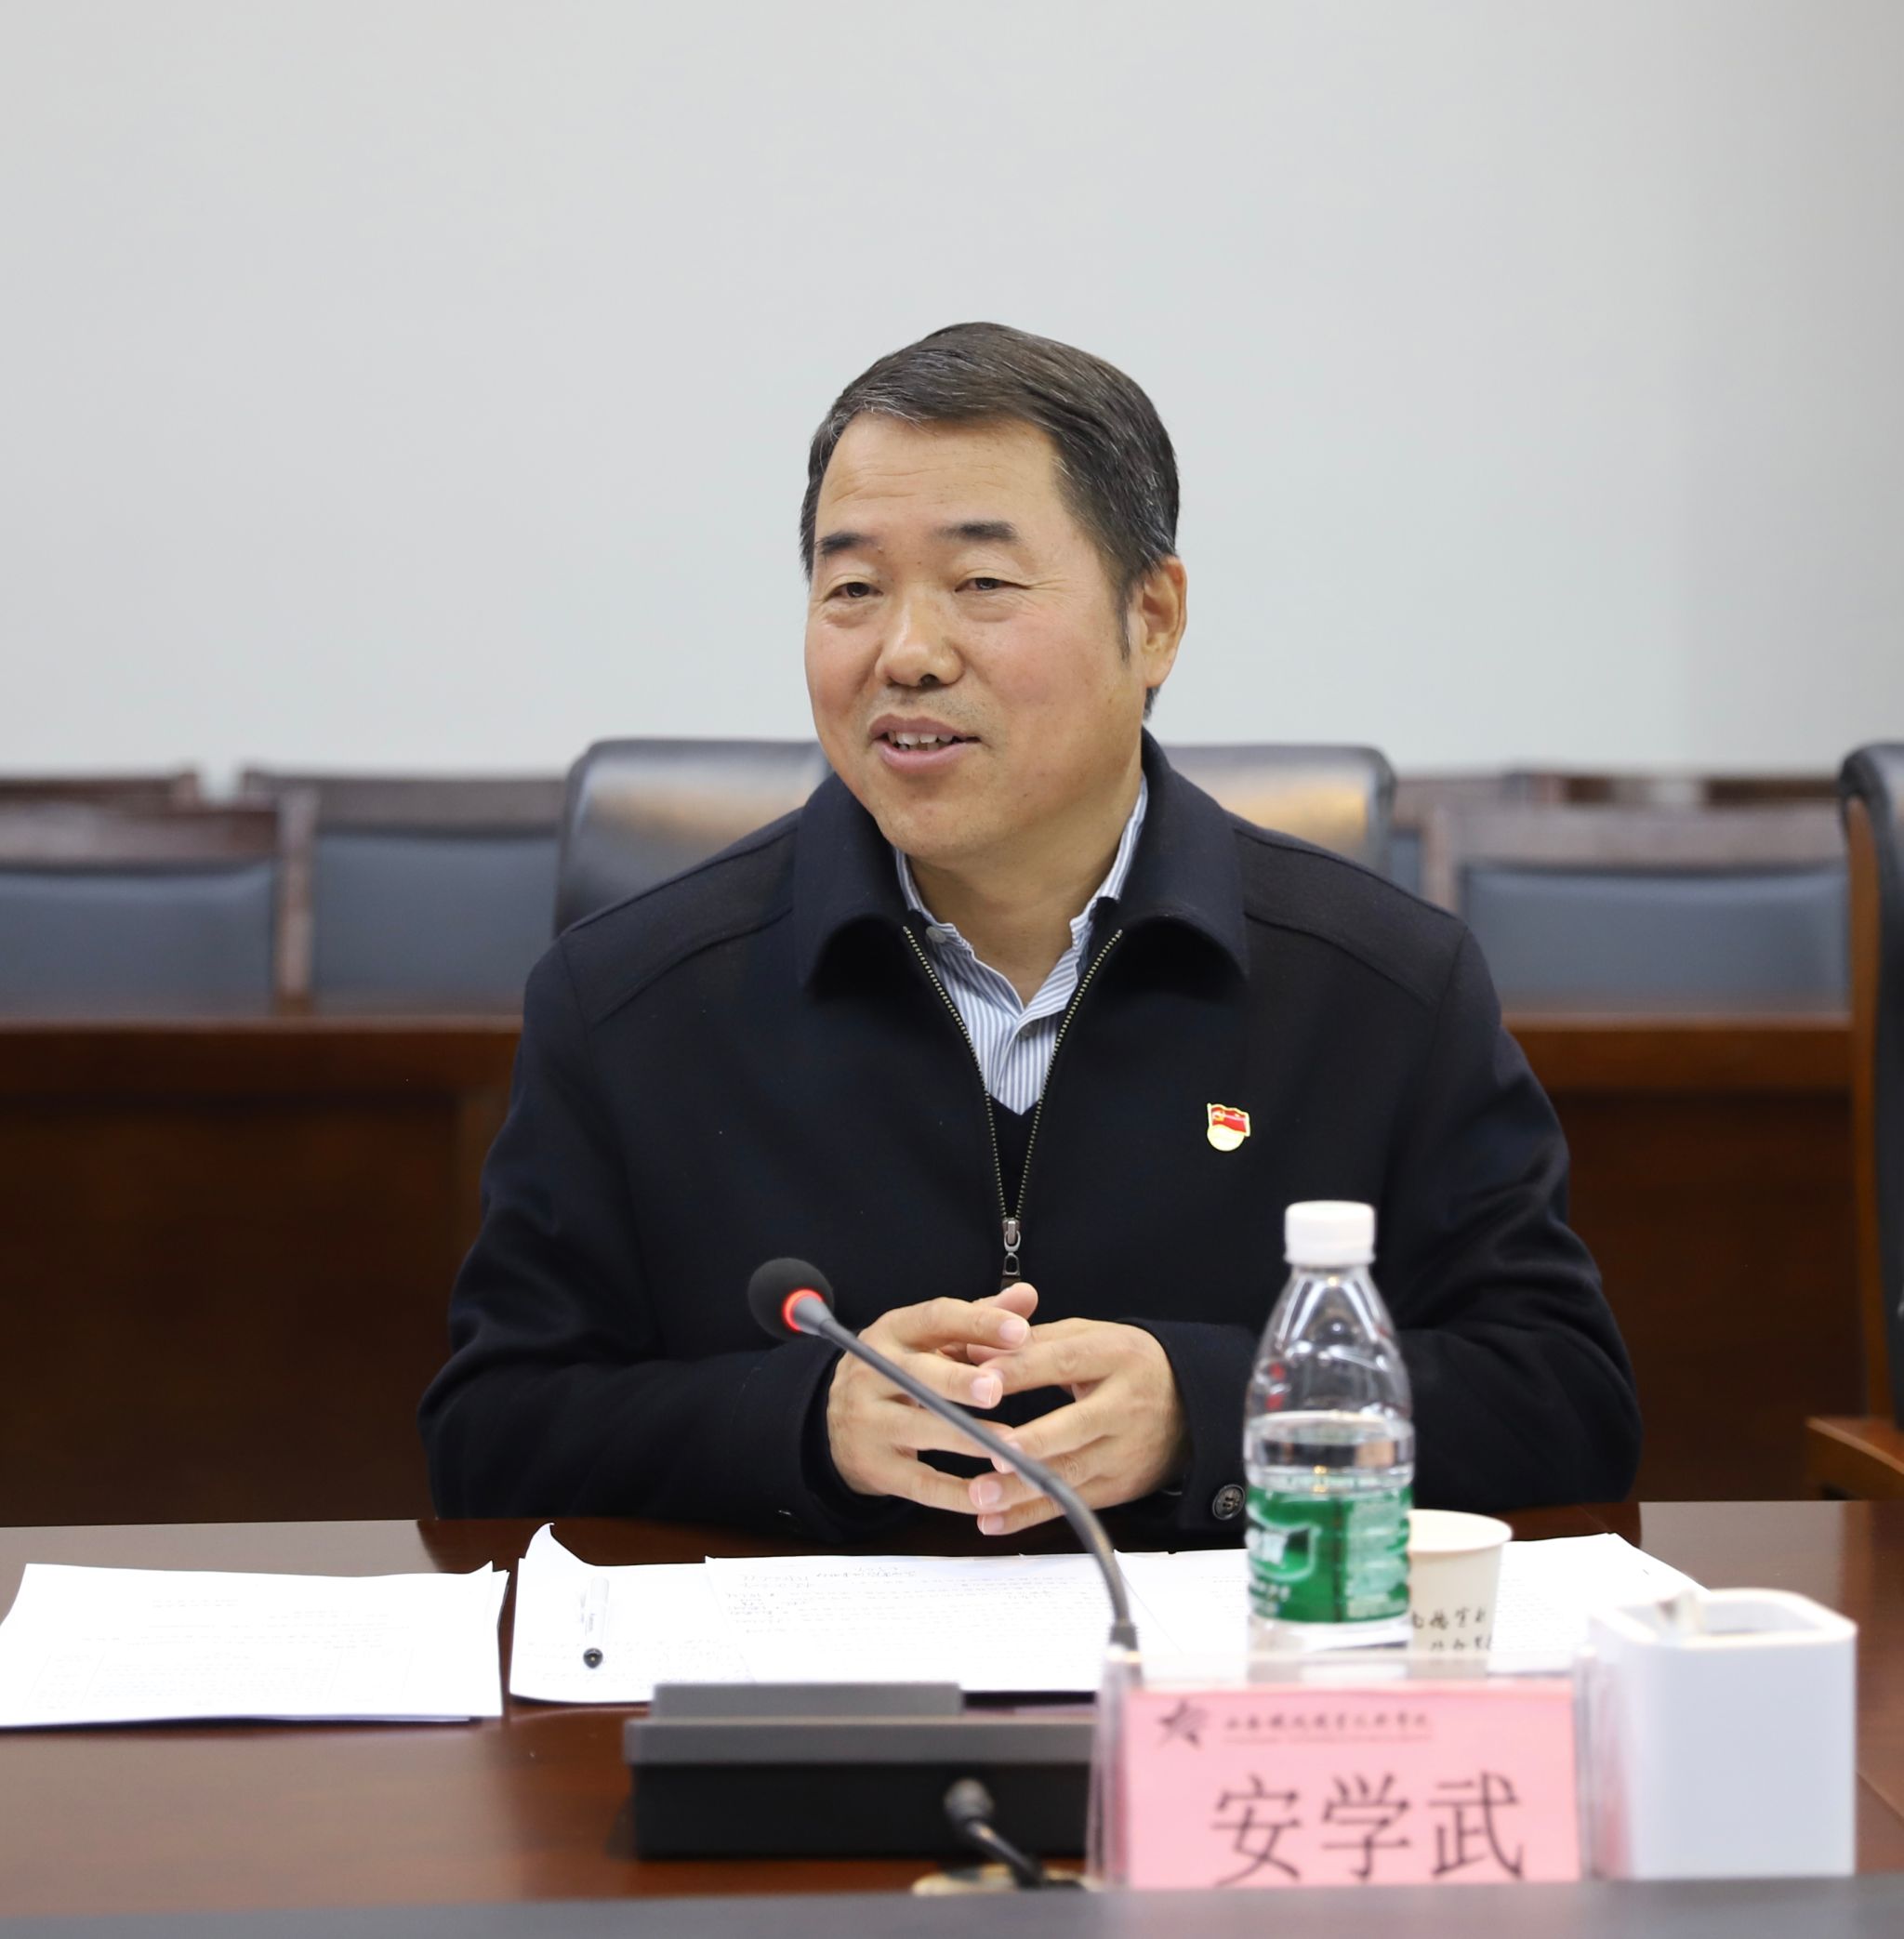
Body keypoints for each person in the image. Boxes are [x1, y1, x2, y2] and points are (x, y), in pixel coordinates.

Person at [419, 323, 1640, 1539]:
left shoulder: (1382, 987)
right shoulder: (627, 998)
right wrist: (806, 1423)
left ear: (1152, 617)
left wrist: (1209, 1409)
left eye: (983, 585)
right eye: (853, 590)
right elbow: (490, 1439)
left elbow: (1567, 1403)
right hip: (812, 1661)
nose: (907, 653)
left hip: (1211, 1654)